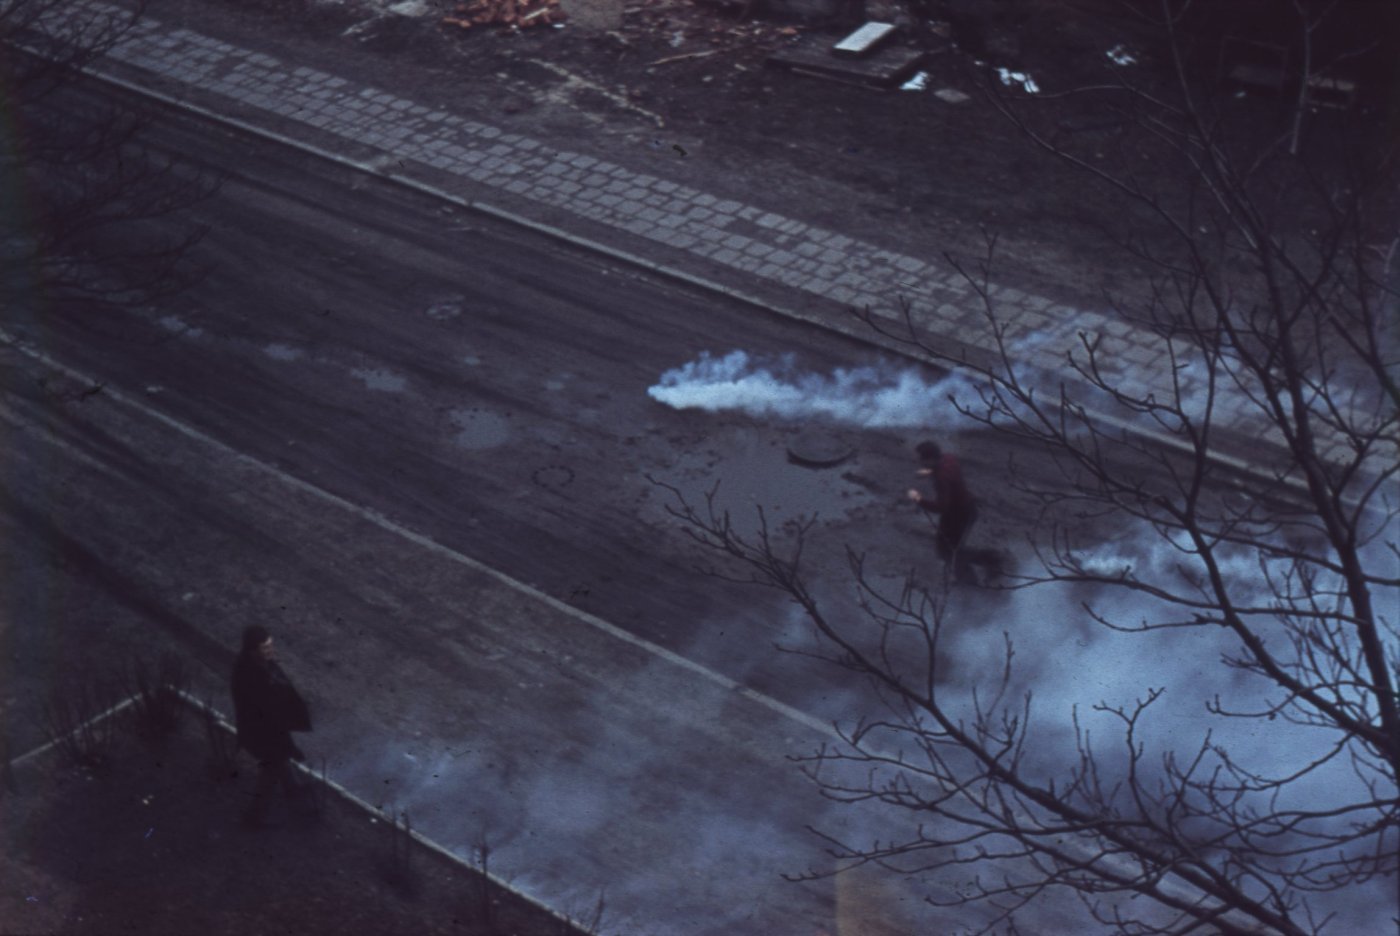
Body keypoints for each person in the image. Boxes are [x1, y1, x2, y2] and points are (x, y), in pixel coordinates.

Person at [230, 625, 313, 827]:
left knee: (280, 760)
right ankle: (254, 818)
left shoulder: (258, 664)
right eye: (265, 648)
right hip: (262, 734)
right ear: (253, 650)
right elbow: (270, 718)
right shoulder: (251, 676)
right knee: (269, 773)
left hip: (266, 729)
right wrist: (290, 746)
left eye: (270, 645)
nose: (271, 650)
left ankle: (293, 787)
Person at [907, 439, 979, 567]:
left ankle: (990, 560)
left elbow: (941, 507)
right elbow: (942, 469)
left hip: (957, 515)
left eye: (922, 460)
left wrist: (918, 499)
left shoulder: (942, 478)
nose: (920, 463)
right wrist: (928, 472)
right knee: (951, 548)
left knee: (948, 552)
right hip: (967, 508)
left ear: (930, 459)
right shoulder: (948, 458)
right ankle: (972, 573)